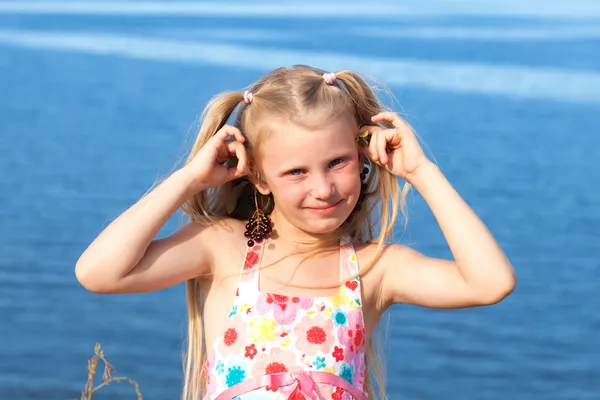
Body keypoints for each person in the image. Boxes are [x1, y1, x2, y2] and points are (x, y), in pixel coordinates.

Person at [75, 65, 516, 400]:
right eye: (295, 171)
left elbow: (490, 282)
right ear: (260, 179)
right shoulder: (225, 247)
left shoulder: (375, 267)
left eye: (337, 162)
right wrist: (190, 179)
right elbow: (99, 272)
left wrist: (421, 172)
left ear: (362, 158)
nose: (322, 188)